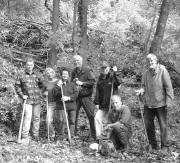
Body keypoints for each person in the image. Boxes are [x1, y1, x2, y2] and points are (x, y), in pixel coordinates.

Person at [136, 53, 174, 150]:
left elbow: (168, 87)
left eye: (151, 60)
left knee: (163, 124)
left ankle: (165, 145)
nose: (150, 62)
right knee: (147, 123)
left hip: (161, 103)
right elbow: (143, 86)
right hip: (149, 103)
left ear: (156, 61)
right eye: (148, 61)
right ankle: (153, 144)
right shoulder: (145, 73)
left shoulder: (162, 71)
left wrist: (168, 102)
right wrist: (141, 91)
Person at [15, 58, 43, 142]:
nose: (29, 66)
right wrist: (22, 95)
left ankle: (35, 135)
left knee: (36, 118)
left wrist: (41, 92)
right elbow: (17, 86)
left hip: (37, 100)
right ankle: (24, 135)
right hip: (27, 100)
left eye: (31, 65)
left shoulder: (37, 75)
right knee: (28, 117)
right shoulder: (21, 75)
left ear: (33, 65)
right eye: (28, 65)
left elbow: (42, 84)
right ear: (25, 65)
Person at [94, 61, 122, 141]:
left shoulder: (112, 76)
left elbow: (119, 82)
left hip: (112, 105)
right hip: (103, 104)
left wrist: (116, 72)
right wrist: (96, 103)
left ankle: (109, 139)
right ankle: (99, 137)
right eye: (102, 68)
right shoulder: (100, 78)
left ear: (109, 68)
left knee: (109, 122)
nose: (104, 69)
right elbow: (98, 91)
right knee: (97, 118)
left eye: (105, 68)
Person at [71, 54, 96, 140]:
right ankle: (73, 134)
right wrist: (74, 83)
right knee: (73, 115)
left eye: (77, 61)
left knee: (91, 115)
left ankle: (94, 136)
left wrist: (82, 83)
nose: (76, 62)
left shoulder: (87, 70)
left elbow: (92, 81)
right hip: (77, 96)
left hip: (86, 96)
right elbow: (71, 83)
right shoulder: (74, 71)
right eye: (74, 61)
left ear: (81, 61)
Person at [53, 67, 78, 140]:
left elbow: (76, 94)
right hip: (62, 106)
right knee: (62, 121)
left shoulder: (72, 84)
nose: (65, 75)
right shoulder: (58, 84)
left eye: (66, 74)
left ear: (68, 75)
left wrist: (68, 98)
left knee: (72, 121)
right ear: (61, 75)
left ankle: (71, 136)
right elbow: (55, 94)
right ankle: (61, 136)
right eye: (63, 74)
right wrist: (58, 86)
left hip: (72, 105)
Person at [43, 67, 58, 141]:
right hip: (50, 104)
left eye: (51, 72)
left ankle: (60, 135)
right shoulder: (45, 82)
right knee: (48, 120)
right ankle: (52, 135)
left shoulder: (58, 81)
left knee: (60, 120)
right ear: (46, 74)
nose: (50, 74)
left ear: (53, 73)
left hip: (59, 104)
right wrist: (44, 93)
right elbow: (42, 92)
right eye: (48, 73)